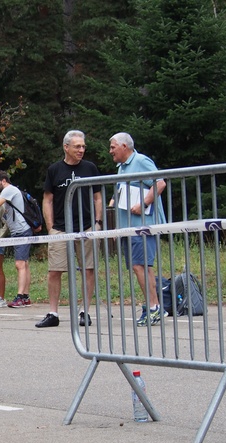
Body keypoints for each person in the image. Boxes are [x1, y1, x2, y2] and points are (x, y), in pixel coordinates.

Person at [37, 130, 103, 328]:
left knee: (88, 270)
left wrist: (97, 222)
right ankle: (53, 313)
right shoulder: (54, 170)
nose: (81, 150)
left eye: (83, 146)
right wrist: (50, 228)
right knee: (55, 270)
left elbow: (98, 196)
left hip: (87, 226)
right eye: (77, 146)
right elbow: (47, 199)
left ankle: (84, 311)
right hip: (60, 228)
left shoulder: (90, 168)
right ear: (66, 147)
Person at [109, 132, 167, 326]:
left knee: (141, 265)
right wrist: (118, 227)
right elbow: (121, 196)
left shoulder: (141, 161)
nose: (110, 151)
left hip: (143, 224)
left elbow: (159, 183)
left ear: (124, 146)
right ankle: (154, 306)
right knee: (140, 266)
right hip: (128, 226)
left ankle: (154, 307)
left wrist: (143, 203)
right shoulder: (121, 168)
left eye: (113, 147)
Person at [0, 171, 33, 308]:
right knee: (24, 264)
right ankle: (25, 296)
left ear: (3, 181)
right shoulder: (9, 191)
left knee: (19, 264)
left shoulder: (9, 190)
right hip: (18, 231)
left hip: (21, 231)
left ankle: (20, 297)